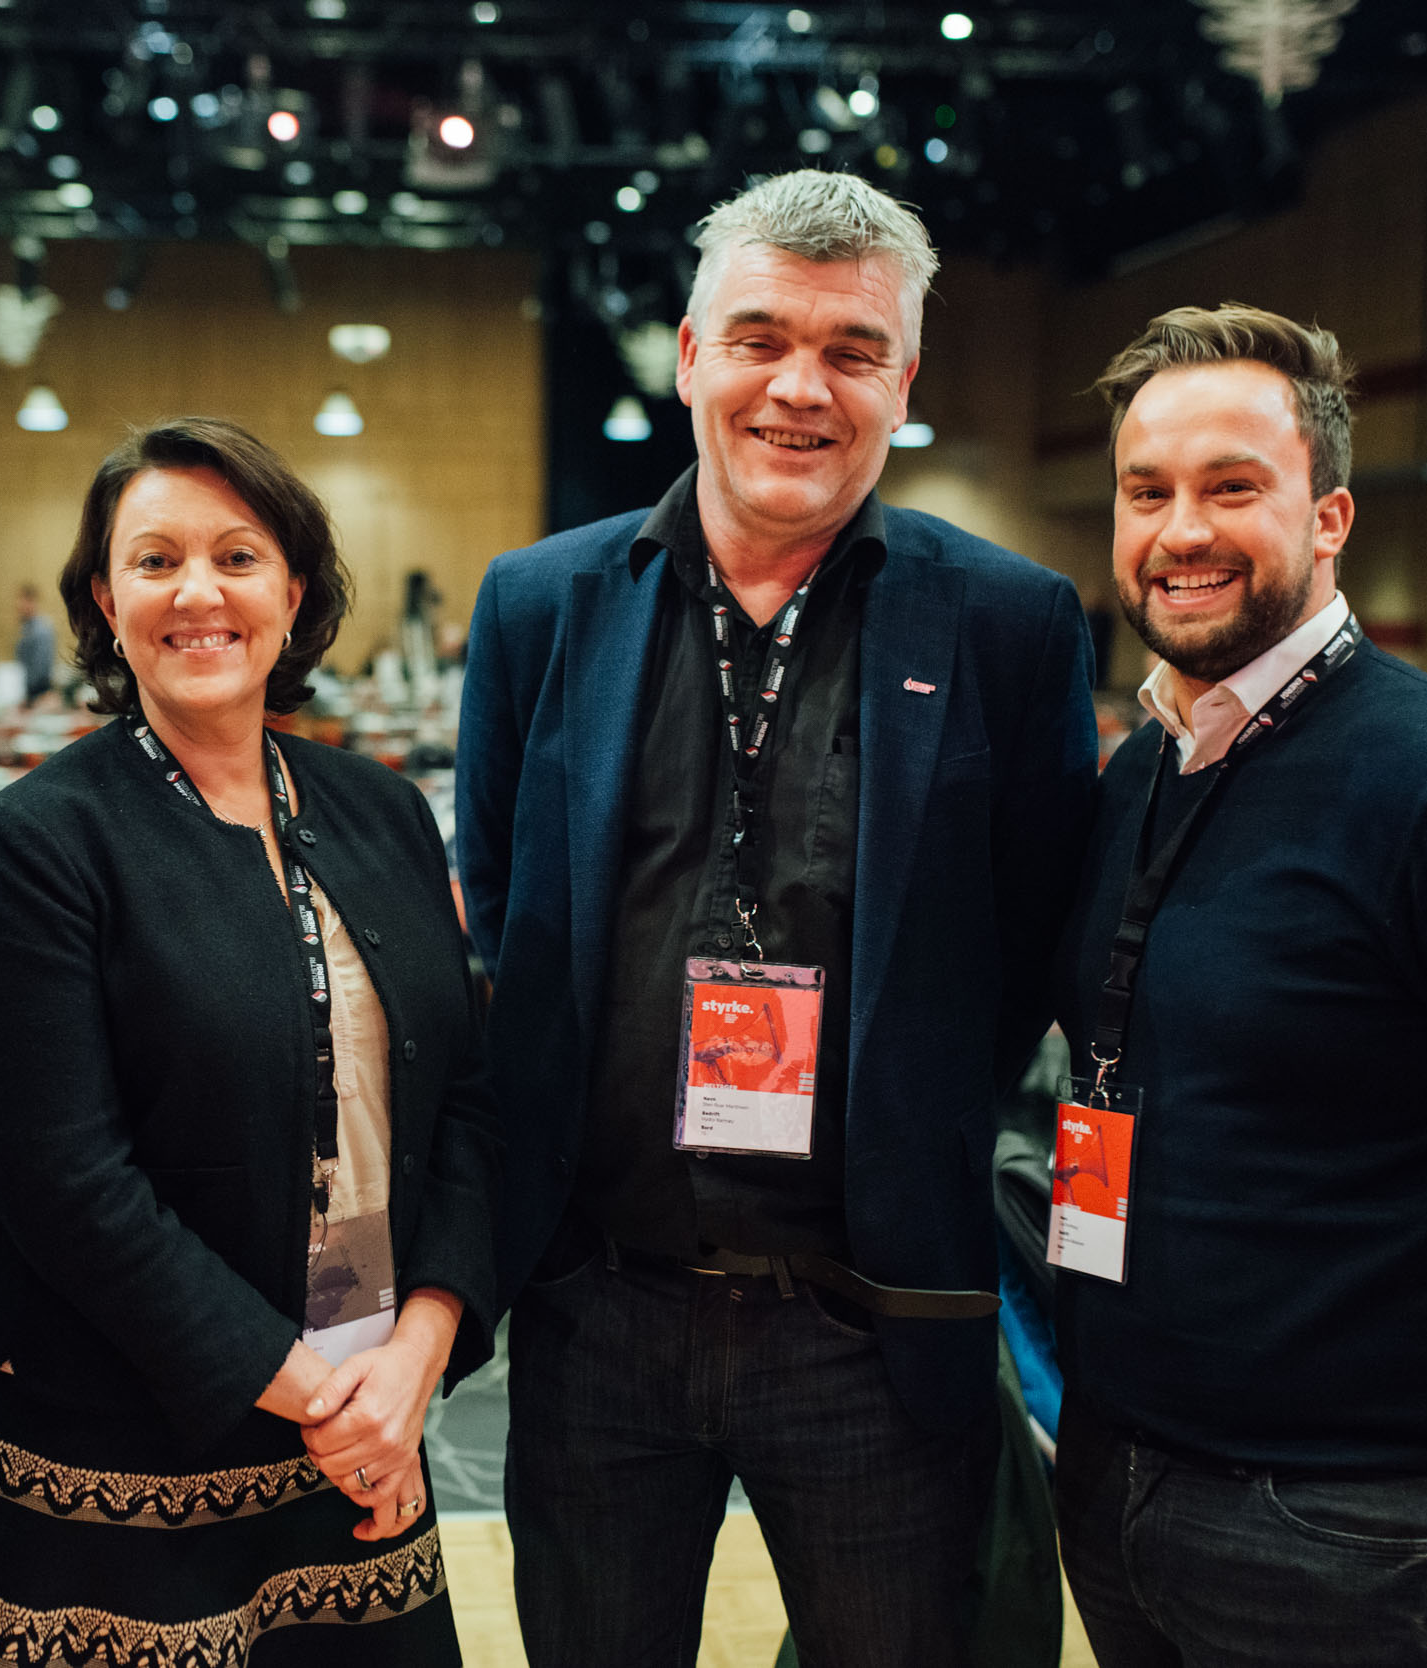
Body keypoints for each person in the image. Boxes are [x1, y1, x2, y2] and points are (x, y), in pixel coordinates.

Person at [456, 168, 1097, 1667]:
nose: (800, 387)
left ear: (905, 382)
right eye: (759, 337)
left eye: (852, 350)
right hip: (600, 1312)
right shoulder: (541, 605)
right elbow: (509, 914)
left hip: (871, 1324)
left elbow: (1023, 948)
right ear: (688, 355)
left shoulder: (1010, 625)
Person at [1049, 303, 1427, 1667]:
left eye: (1231, 488)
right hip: (1120, 1475)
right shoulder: (1143, 769)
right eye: (1146, 492)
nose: (1179, 530)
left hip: (1362, 1524)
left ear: (1328, 517)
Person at [0, 417, 499, 1667]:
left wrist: (413, 1358)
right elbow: (68, 1190)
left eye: (237, 555)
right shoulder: (39, 842)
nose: (199, 593)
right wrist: (316, 1393)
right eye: (156, 559)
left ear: (293, 589)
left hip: (360, 1418)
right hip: (119, 1456)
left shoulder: (382, 813)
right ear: (103, 600)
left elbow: (466, 1110)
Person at [13, 581, 57, 701]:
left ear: (32, 602)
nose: (19, 605)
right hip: (27, 687)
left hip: (38, 689)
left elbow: (41, 666)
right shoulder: (26, 627)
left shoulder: (41, 629)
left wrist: (26, 692)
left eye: (23, 600)